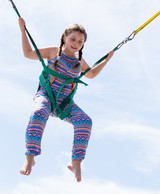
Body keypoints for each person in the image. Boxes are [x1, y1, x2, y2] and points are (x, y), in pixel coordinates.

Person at [19, 17, 114, 182]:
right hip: (46, 96)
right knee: (39, 112)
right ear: (65, 37)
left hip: (64, 104)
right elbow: (28, 54)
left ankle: (75, 161)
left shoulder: (78, 62)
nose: (76, 43)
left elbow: (91, 74)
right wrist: (22, 31)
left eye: (80, 41)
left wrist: (106, 60)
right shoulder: (53, 52)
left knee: (85, 121)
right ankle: (30, 157)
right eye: (73, 39)